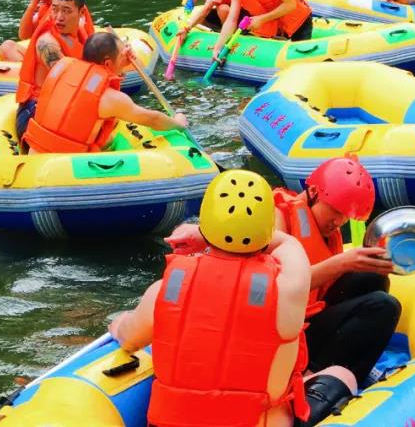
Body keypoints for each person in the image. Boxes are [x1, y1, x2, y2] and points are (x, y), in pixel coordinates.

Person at [166, 157, 400, 424]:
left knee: (372, 280)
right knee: (383, 306)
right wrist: (341, 263)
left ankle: (347, 365)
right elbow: (278, 292)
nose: (339, 221)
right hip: (282, 332)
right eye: (334, 211)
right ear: (313, 193)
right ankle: (319, 377)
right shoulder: (276, 218)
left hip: (306, 315)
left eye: (345, 216)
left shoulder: (322, 226)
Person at [109, 170, 313, 427]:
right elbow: (290, 245)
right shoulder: (288, 289)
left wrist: (118, 324)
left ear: (207, 222)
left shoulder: (164, 290)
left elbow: (128, 338)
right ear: (267, 227)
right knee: (339, 376)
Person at [24, 31, 188, 153]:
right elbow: (153, 118)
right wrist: (178, 123)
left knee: (107, 138)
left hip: (34, 156)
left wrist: (120, 62)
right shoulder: (111, 99)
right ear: (108, 62)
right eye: (121, 53)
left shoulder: (66, 68)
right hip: (62, 170)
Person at [14, 0, 95, 141]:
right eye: (55, 9)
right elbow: (68, 84)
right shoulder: (47, 43)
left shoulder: (80, 31)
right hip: (35, 109)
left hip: (63, 106)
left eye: (66, 11)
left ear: (81, 12)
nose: (59, 17)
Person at [0, 0, 78, 62]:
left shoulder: (65, 10)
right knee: (7, 46)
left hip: (62, 59)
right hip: (47, 56)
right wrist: (32, 6)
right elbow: (24, 35)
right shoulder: (46, 8)